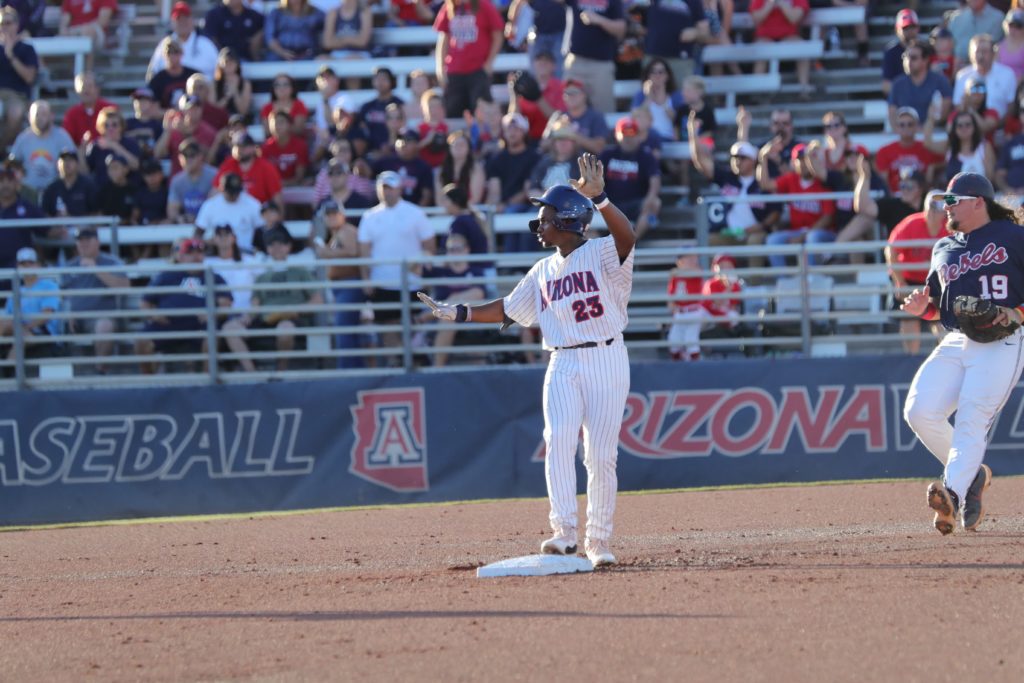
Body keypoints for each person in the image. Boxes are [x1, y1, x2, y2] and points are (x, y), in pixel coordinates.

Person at [417, 153, 635, 567]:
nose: (538, 225)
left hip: (606, 356)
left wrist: (602, 199)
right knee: (557, 443)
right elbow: (508, 309)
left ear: (569, 220)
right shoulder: (542, 270)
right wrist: (459, 312)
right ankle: (564, 532)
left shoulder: (604, 253)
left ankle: (599, 541)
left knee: (601, 455)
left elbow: (628, 238)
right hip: (562, 362)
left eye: (546, 217)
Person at [900, 172, 1024, 535]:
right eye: (944, 200)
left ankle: (952, 492)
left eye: (952, 200)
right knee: (919, 412)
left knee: (972, 419)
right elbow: (942, 307)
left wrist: (1016, 313)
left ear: (977, 202)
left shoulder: (1014, 238)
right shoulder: (944, 248)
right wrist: (924, 308)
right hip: (956, 340)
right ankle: (973, 478)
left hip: (1002, 343)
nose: (946, 206)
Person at [358, 171, 436, 357]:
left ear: (399, 189)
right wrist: (366, 279)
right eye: (383, 188)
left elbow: (430, 246)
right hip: (382, 282)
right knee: (387, 327)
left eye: (391, 188)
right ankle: (398, 364)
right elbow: (363, 251)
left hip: (411, 283)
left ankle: (411, 362)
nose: (387, 192)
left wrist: (422, 272)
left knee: (411, 325)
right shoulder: (369, 216)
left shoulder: (415, 213)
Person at [135, 238, 232, 375]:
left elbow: (226, 304)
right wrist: (154, 315)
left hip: (200, 325)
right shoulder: (166, 276)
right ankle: (148, 381)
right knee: (142, 341)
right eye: (190, 253)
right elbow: (144, 303)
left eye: (199, 252)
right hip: (168, 324)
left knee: (212, 336)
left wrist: (212, 314)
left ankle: (209, 380)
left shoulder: (213, 277)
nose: (196, 257)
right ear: (180, 256)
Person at [885, 190, 945, 355]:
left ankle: (946, 358)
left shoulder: (950, 226)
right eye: (931, 209)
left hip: (936, 280)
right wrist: (900, 282)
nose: (933, 213)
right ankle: (912, 359)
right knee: (909, 317)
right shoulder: (912, 223)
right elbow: (891, 250)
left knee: (942, 319)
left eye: (937, 209)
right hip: (910, 278)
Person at [61, 228, 129, 373]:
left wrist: (95, 268)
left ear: (97, 242)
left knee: (104, 326)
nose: (83, 244)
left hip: (103, 315)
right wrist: (68, 314)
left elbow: (124, 287)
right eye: (80, 241)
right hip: (76, 318)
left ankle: (100, 372)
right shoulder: (69, 266)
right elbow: (61, 295)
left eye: (88, 240)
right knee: (54, 325)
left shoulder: (112, 262)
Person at [311, 201, 363, 368]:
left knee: (343, 330)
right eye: (328, 215)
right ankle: (353, 369)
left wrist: (327, 252)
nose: (332, 217)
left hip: (349, 284)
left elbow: (353, 252)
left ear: (343, 215)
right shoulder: (337, 233)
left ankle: (348, 370)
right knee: (345, 331)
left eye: (335, 214)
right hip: (342, 287)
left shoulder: (347, 230)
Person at [433, 0, 505, 119]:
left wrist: (489, 63)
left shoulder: (484, 5)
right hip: (454, 71)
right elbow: (443, 40)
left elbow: (498, 35)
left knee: (481, 113)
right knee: (453, 113)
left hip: (478, 70)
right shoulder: (449, 7)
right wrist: (440, 68)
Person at [599, 117, 661, 239]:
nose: (628, 138)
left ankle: (631, 241)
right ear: (617, 135)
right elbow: (596, 179)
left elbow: (655, 180)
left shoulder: (646, 155)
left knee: (655, 203)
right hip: (610, 205)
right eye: (624, 134)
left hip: (636, 204)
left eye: (632, 133)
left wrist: (651, 197)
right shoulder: (606, 154)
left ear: (638, 136)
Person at [562, 0, 625, 115]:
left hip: (601, 65)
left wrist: (599, 20)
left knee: (604, 111)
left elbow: (621, 29)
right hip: (575, 62)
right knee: (568, 110)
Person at [0, 247, 59, 365]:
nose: (27, 266)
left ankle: (9, 370)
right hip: (20, 330)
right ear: (18, 266)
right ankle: (9, 370)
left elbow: (46, 316)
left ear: (38, 265)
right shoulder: (16, 290)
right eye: (23, 263)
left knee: (19, 336)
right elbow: (7, 320)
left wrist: (25, 327)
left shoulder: (49, 285)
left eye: (30, 263)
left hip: (42, 332)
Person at [9, 100, 75, 196]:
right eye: (36, 115)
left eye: (44, 114)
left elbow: (73, 165)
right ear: (29, 117)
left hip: (56, 192)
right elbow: (12, 165)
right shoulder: (23, 139)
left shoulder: (62, 137)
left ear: (51, 116)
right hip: (28, 193)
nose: (40, 118)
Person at [748, 0, 812, 99]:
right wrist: (770, 4)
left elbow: (794, 18)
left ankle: (804, 90)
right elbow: (757, 18)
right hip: (765, 37)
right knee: (761, 51)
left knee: (803, 49)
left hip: (789, 36)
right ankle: (756, 93)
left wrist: (782, 3)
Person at [874, 107, 941, 193]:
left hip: (920, 196)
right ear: (896, 128)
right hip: (895, 196)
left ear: (917, 126)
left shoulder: (928, 149)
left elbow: (947, 160)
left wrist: (932, 168)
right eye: (902, 125)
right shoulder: (884, 152)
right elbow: (884, 182)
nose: (906, 128)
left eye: (910, 124)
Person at [888, 40, 953, 129]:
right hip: (905, 136)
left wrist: (922, 129)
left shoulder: (941, 81)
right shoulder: (897, 84)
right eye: (906, 57)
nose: (908, 61)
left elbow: (943, 114)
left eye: (913, 58)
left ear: (925, 60)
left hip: (934, 135)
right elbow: (892, 116)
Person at [952, 34, 1017, 119]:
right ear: (971, 54)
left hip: (1000, 129)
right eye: (977, 52)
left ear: (993, 54)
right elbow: (958, 106)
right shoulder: (962, 76)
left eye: (984, 51)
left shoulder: (1007, 74)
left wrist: (996, 125)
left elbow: (1011, 106)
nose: (980, 56)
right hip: (970, 128)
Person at [147, 2, 219, 79]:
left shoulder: (206, 45)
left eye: (185, 18)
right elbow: (153, 73)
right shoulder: (164, 46)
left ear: (192, 20)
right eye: (178, 19)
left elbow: (219, 72)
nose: (182, 22)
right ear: (172, 22)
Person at [0, 7, 39, 150]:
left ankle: (2, 149)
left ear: (17, 25)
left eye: (8, 23)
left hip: (17, 95)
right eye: (2, 23)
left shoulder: (26, 49)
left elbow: (29, 77)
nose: (4, 27)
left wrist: (11, 56)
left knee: (15, 113)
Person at [195, 173, 263, 253]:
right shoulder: (210, 205)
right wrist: (207, 243)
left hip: (246, 254)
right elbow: (198, 233)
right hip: (218, 255)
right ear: (221, 189)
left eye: (236, 192)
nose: (234, 195)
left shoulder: (253, 204)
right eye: (230, 192)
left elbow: (262, 231)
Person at [214, 132, 283, 207]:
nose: (239, 149)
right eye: (236, 146)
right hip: (232, 211)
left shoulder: (266, 167)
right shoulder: (228, 165)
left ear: (254, 147)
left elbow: (277, 199)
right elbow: (214, 193)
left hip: (259, 212)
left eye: (244, 146)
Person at [666, 251, 706, 361]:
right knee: (673, 341)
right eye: (688, 259)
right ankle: (678, 365)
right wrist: (672, 307)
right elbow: (671, 297)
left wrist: (677, 271)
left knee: (691, 341)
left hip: (694, 312)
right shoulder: (675, 277)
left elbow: (695, 273)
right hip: (680, 313)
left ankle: (695, 366)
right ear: (680, 261)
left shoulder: (697, 271)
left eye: (694, 258)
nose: (692, 261)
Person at [167, 138, 218, 224]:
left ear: (200, 156)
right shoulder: (177, 181)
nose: (188, 159)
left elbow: (217, 206)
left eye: (192, 155)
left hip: (210, 223)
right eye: (185, 155)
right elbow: (172, 211)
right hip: (186, 225)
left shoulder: (214, 176)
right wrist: (180, 218)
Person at [62, 72, 115, 147]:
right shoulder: (71, 114)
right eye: (83, 87)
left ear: (97, 89)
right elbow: (67, 142)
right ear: (77, 91)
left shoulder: (110, 109)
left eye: (90, 86)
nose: (86, 91)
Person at [947, 0, 1005, 70]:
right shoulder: (956, 19)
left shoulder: (998, 18)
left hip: (987, 70)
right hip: (957, 70)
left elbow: (997, 47)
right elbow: (948, 47)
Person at [436, 130, 487, 206]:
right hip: (446, 213)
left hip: (469, 212)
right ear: (449, 148)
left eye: (462, 145)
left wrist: (460, 210)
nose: (458, 147)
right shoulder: (441, 171)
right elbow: (439, 199)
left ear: (468, 148)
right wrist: (449, 208)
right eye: (455, 144)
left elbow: (475, 199)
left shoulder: (476, 169)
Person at [41, 149, 97, 218]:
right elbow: (44, 213)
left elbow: (96, 212)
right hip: (59, 227)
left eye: (70, 160)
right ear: (57, 165)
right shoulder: (51, 188)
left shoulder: (88, 185)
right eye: (63, 160)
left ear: (77, 164)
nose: (66, 163)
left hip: (83, 227)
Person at [147, 38, 199, 110]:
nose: (172, 56)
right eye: (169, 52)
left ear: (182, 54)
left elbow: (201, 103)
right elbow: (154, 110)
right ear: (164, 55)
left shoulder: (193, 76)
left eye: (176, 52)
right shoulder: (157, 80)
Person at [881, 8, 920, 96]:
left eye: (913, 26)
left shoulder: (925, 49)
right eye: (905, 28)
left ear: (918, 28)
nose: (910, 31)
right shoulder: (891, 52)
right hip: (901, 99)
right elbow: (886, 85)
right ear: (897, 30)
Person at [212, 47, 253, 120]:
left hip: (239, 121)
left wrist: (235, 92)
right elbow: (214, 111)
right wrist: (227, 97)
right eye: (226, 61)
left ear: (237, 64)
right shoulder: (214, 84)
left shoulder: (245, 84)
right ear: (220, 65)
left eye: (232, 61)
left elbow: (243, 111)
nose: (229, 64)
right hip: (219, 121)